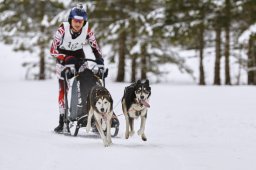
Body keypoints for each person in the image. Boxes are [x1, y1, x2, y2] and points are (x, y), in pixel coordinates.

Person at [50, 4, 104, 133]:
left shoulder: (87, 30)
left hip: (79, 57)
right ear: (70, 20)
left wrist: (99, 58)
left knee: (88, 82)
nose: (78, 24)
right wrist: (65, 58)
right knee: (64, 88)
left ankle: (90, 115)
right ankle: (62, 120)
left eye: (81, 21)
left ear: (84, 21)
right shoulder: (63, 29)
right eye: (75, 20)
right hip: (63, 59)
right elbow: (53, 50)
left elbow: (95, 46)